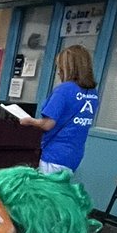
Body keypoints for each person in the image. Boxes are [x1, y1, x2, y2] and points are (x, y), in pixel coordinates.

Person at [19, 45, 99, 174]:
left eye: (60, 67)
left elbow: (47, 124)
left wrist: (29, 121)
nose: (58, 72)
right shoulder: (92, 93)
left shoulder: (64, 90)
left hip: (53, 155)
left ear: (69, 68)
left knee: (44, 192)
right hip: (73, 156)